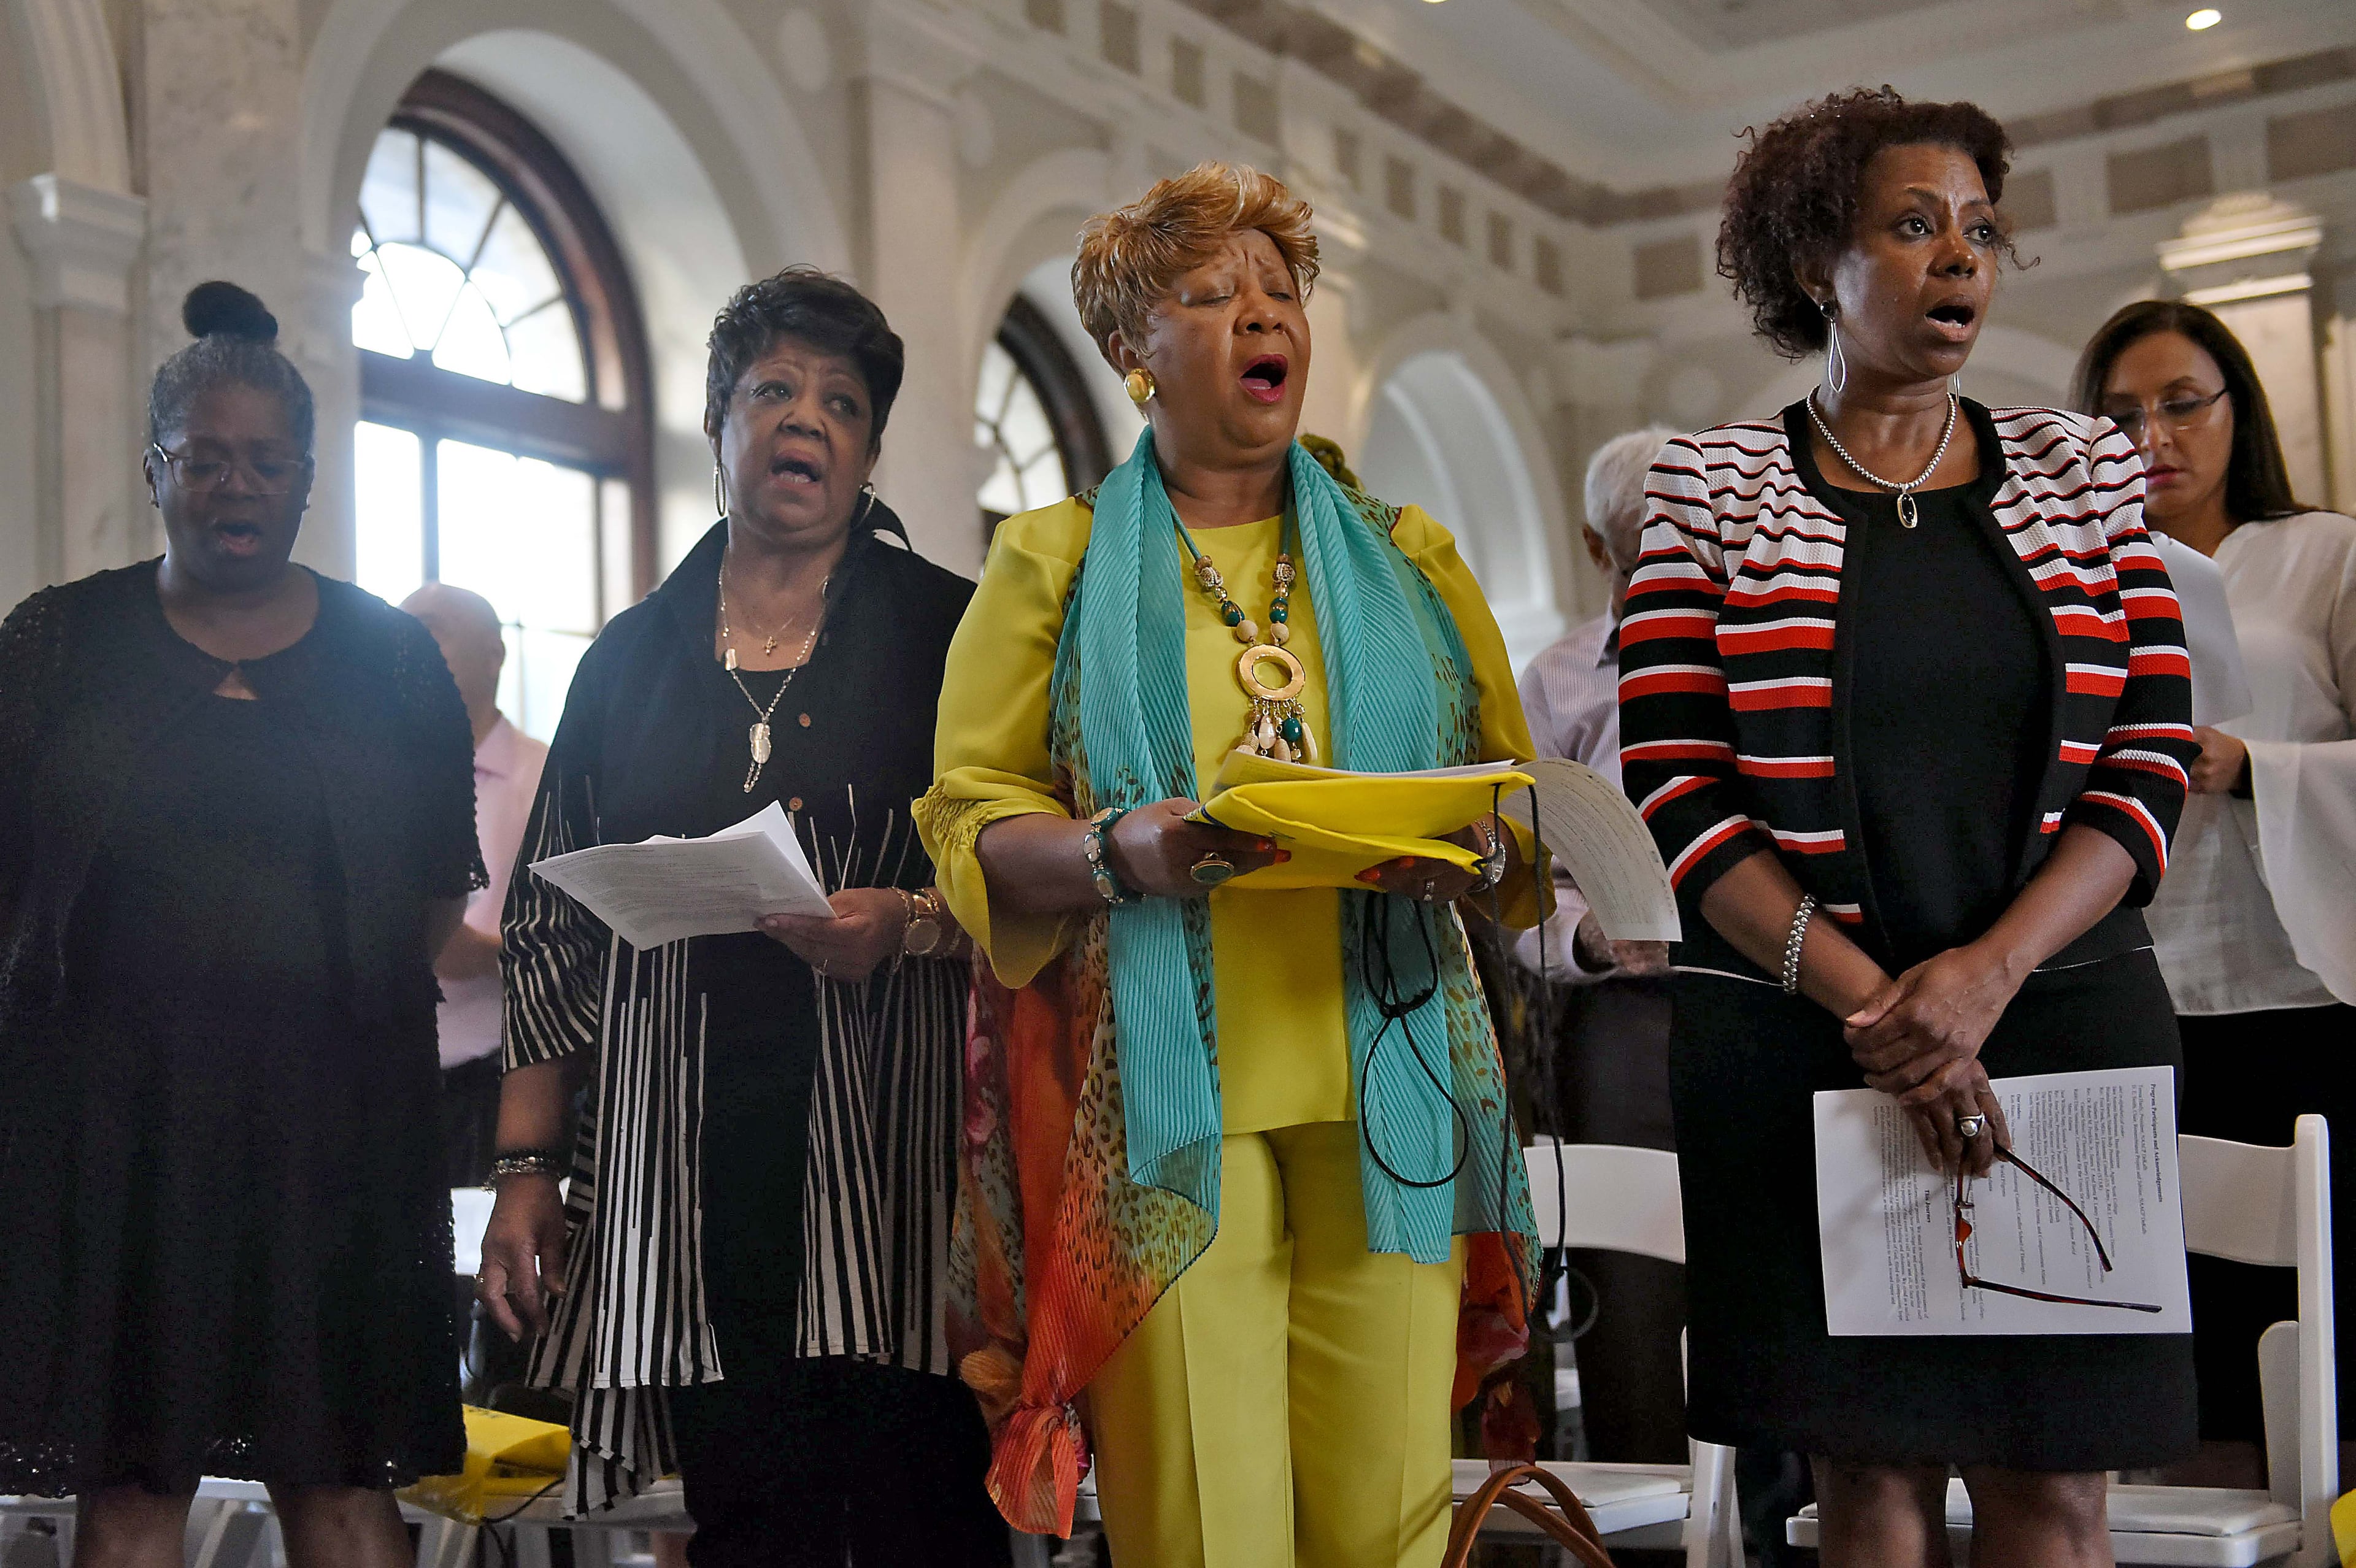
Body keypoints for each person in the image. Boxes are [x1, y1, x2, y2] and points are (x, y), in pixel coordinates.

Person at [916, 162, 1545, 1568]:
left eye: (1278, 292)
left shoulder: (1408, 555)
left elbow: (1512, 816)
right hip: (1165, 1108)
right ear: (1135, 351)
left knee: (1384, 1518)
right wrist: (1117, 848)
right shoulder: (1053, 562)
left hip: (1387, 1082)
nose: (1262, 315)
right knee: (1207, 1530)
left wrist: (1468, 847)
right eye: (1210, 295)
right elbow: (969, 822)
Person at [1621, 90, 2200, 1568]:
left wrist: (1981, 980)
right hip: (1799, 1027)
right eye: (1912, 225)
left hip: (2057, 1010)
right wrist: (1884, 1009)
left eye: (1980, 230)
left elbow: (2146, 757)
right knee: (1863, 1479)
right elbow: (1679, 788)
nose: (1959, 259)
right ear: (1819, 259)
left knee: (2054, 1480)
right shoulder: (1707, 487)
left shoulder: (2083, 471)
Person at [474, 267, 1005, 1568]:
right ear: (719, 423)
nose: (805, 421)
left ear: (872, 450)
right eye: (773, 390)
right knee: (748, 1518)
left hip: (901, 1158)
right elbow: (548, 929)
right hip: (688, 1165)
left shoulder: (954, 632)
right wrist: (525, 1170)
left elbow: (1029, 864)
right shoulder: (631, 656)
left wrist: (912, 920)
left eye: (841, 402)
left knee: (924, 1512)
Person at [0, 282, 477, 1566]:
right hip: (117, 1132)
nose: (234, 485)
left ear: (310, 479)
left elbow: (437, 887)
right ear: (153, 467)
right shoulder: (54, 646)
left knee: (338, 1485)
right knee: (135, 1488)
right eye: (202, 458)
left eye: (266, 461)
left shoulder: (392, 663)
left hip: (338, 1127)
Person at [2074, 299, 2356, 1481]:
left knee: (2326, 1308)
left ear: (2236, 405)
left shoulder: (2323, 554)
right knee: (2190, 1323)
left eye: (2182, 402)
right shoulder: (2080, 578)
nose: (2154, 435)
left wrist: (2255, 769)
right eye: (2121, 414)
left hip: (2307, 984)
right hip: (2142, 989)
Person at [1512, 426, 1682, 1466]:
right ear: (1594, 546)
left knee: (1800, 1290)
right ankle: (1656, 1522)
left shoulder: (1783, 647)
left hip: (1781, 999)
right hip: (1626, 1019)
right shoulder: (1561, 682)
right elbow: (1511, 878)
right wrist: (1588, 938)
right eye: (1641, 545)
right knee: (1637, 1315)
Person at [401, 582, 549, 1188]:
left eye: (429, 628)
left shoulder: (548, 778)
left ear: (494, 654)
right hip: (374, 1076)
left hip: (494, 1085)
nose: (405, 645)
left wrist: (484, 955)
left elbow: (593, 935)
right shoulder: (372, 780)